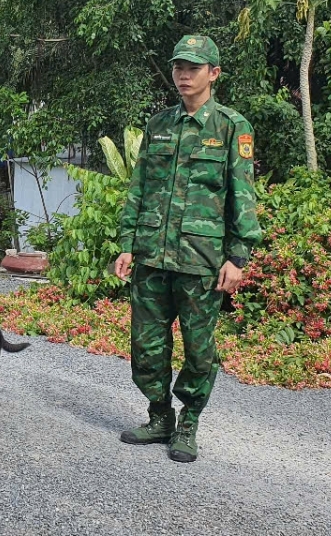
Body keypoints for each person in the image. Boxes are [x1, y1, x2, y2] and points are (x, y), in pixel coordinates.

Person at [113, 35, 262, 463]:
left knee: (199, 350)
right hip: (153, 257)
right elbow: (138, 190)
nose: (183, 74)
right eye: (179, 66)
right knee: (146, 345)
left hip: (201, 261)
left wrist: (238, 257)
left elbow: (242, 196)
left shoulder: (232, 127)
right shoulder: (159, 125)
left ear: (213, 73)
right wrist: (127, 245)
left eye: (193, 68)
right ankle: (160, 417)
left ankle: (189, 422)